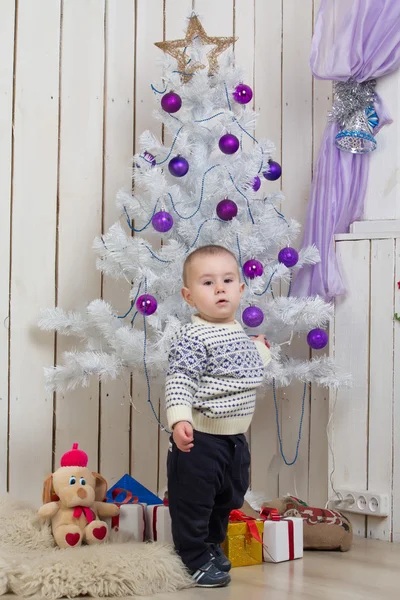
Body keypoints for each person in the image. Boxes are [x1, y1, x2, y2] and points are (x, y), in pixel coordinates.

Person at [165, 244, 271, 588]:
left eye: (227, 280)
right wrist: (180, 419)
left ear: (241, 289)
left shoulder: (237, 332)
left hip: (234, 437)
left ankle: (210, 544)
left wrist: (260, 349)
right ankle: (192, 555)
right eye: (208, 283)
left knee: (227, 496)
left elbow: (246, 371)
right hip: (201, 436)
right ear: (189, 296)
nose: (220, 288)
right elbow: (180, 378)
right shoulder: (193, 335)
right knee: (194, 499)